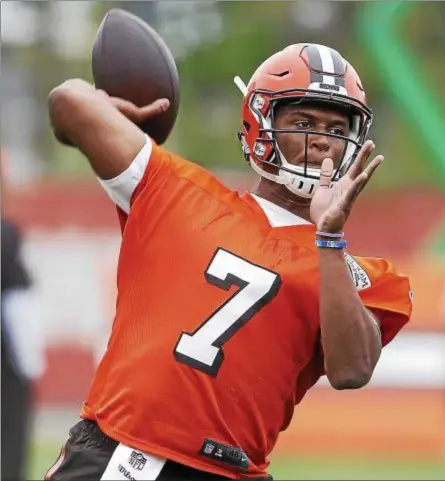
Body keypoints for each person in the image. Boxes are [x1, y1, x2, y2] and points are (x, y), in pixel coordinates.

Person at [45, 43, 412, 480]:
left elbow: (351, 370)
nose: (321, 142)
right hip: (129, 455)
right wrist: (112, 108)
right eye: (302, 122)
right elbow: (69, 102)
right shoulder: (178, 192)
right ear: (259, 122)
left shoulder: (361, 275)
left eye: (336, 128)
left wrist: (329, 240)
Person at [2, 217, 45, 481]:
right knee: (10, 435)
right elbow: (19, 301)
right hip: (7, 358)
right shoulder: (5, 235)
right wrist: (29, 364)